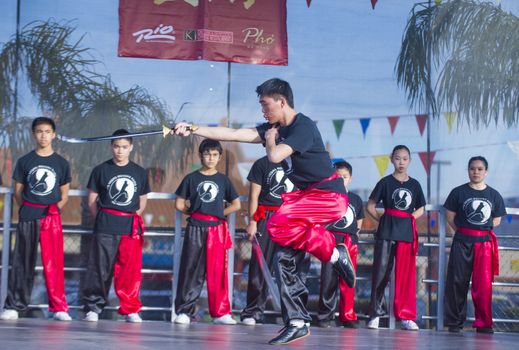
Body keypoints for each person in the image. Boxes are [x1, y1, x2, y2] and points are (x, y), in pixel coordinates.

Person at [173, 78, 355, 345]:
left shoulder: (302, 126)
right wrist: (194, 128)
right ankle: (297, 320)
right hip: (307, 198)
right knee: (283, 256)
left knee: (276, 225)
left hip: (328, 196)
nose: (262, 110)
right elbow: (237, 134)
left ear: (281, 101)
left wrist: (270, 140)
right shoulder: (275, 127)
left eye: (265, 104)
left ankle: (333, 251)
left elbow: (275, 156)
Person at [0, 117, 72, 321]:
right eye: (39, 131)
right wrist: (30, 208)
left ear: (54, 135)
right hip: (28, 215)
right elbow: (18, 193)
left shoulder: (61, 163)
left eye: (47, 131)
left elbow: (65, 194)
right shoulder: (25, 161)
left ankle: (59, 308)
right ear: (34, 134)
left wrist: (51, 210)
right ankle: (14, 306)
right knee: (22, 261)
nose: (43, 135)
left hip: (51, 218)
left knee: (54, 263)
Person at [81, 129, 150, 323]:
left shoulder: (139, 172)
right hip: (105, 225)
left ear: (131, 147)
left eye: (124, 147)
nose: (120, 151)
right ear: (111, 146)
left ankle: (130, 309)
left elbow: (142, 201)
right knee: (99, 268)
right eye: (117, 146)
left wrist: (130, 217)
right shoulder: (101, 170)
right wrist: (104, 218)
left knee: (129, 270)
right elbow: (92, 201)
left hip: (129, 227)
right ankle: (94, 308)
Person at [173, 139, 241, 325]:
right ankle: (184, 312)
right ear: (200, 155)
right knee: (190, 269)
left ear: (219, 157)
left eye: (214, 155)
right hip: (195, 227)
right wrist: (195, 213)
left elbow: (236, 204)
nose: (210, 158)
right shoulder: (191, 178)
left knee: (218, 271)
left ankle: (220, 313)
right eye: (207, 154)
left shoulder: (224, 180)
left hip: (217, 230)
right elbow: (179, 203)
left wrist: (218, 214)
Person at [240, 155, 310, 326]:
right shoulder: (262, 163)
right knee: (260, 265)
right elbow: (254, 195)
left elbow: (307, 195)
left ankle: (296, 314)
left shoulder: (302, 164)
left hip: (292, 219)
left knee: (293, 267)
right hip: (267, 217)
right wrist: (253, 222)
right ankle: (253, 311)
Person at [365, 145, 425, 331]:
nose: (401, 162)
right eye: (398, 158)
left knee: (405, 278)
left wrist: (407, 220)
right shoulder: (384, 182)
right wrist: (382, 219)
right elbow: (370, 206)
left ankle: (406, 317)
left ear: (410, 161)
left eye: (405, 158)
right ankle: (375, 314)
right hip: (386, 233)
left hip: (406, 234)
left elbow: (420, 208)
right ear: (392, 159)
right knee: (380, 274)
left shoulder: (415, 184)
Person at [443, 156, 506, 334]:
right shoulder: (458, 192)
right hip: (462, 241)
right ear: (468, 170)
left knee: (483, 284)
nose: (476, 172)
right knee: (457, 282)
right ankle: (455, 322)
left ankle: (484, 323)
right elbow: (450, 216)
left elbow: (498, 219)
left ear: (485, 172)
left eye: (479, 169)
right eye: (472, 168)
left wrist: (480, 230)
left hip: (484, 244)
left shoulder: (494, 195)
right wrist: (465, 231)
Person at [317, 160, 364, 328]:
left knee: (348, 280)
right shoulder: (328, 196)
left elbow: (359, 220)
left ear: (350, 178)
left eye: (344, 177)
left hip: (349, 241)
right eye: (338, 176)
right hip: (330, 240)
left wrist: (353, 236)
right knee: (328, 278)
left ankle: (347, 315)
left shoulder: (356, 199)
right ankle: (325, 316)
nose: (341, 179)